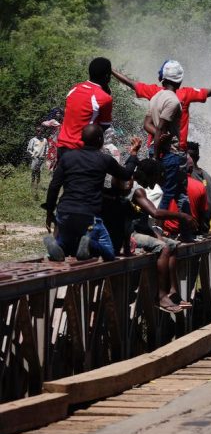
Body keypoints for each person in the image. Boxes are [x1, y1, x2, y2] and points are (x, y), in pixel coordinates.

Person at [43, 125, 139, 262]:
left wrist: (49, 212)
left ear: (82, 139)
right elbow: (126, 174)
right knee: (109, 253)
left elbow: (54, 186)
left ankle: (57, 244)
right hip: (89, 214)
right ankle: (90, 243)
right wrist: (133, 155)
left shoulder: (67, 157)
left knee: (67, 241)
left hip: (65, 212)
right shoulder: (104, 159)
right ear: (100, 140)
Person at [111, 61, 211, 153]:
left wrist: (110, 69)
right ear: (180, 80)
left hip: (155, 147)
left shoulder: (154, 92)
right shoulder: (186, 94)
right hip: (177, 149)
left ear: (162, 77)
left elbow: (130, 83)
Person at [130, 159, 197, 313]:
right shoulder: (137, 190)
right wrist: (182, 216)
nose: (159, 181)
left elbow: (142, 222)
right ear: (149, 175)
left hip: (140, 230)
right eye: (157, 176)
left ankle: (173, 292)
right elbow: (155, 213)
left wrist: (154, 234)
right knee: (163, 247)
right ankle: (160, 296)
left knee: (172, 245)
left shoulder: (141, 188)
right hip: (129, 235)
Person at [145, 85, 195, 241]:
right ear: (178, 82)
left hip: (159, 150)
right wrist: (157, 157)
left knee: (178, 192)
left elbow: (147, 124)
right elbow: (160, 128)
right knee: (168, 193)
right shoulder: (173, 101)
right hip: (169, 153)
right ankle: (158, 231)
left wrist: (156, 143)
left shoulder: (155, 98)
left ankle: (185, 233)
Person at [56, 58, 114, 160]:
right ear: (107, 76)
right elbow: (103, 127)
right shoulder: (104, 98)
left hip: (61, 147)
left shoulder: (74, 89)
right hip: (80, 150)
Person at [187, 141, 211, 232]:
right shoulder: (186, 176)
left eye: (192, 156)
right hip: (194, 228)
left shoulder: (206, 176)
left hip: (202, 228)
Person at [26, 127, 48, 197]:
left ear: (42, 132)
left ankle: (37, 185)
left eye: (41, 131)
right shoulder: (33, 140)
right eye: (38, 131)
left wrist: (45, 155)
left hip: (41, 158)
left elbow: (46, 148)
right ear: (36, 132)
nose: (39, 132)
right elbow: (29, 149)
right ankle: (32, 184)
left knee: (39, 172)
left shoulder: (44, 140)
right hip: (35, 158)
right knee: (33, 171)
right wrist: (33, 155)